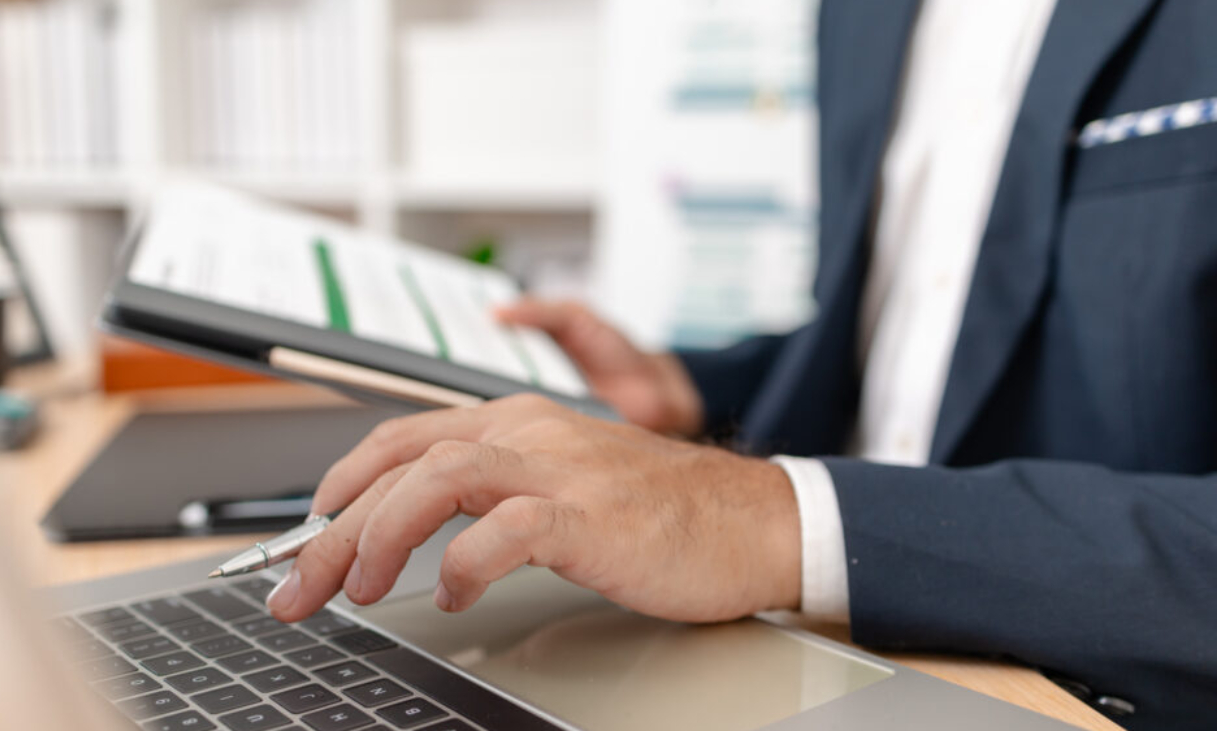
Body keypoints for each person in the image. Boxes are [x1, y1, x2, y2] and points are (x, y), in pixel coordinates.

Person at [267, 1, 1217, 729]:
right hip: (805, 638)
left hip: (1073, 681)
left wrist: (765, 516)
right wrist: (686, 393)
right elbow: (909, 343)